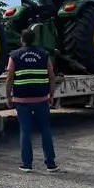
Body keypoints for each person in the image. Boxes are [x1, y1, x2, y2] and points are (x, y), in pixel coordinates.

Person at [5, 28, 59, 172]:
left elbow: (10, 77)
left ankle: (27, 164)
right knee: (45, 130)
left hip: (22, 101)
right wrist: (51, 94)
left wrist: (8, 96)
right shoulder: (44, 54)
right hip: (41, 99)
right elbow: (52, 76)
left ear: (21, 39)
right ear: (34, 39)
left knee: (25, 131)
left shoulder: (14, 55)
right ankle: (51, 164)